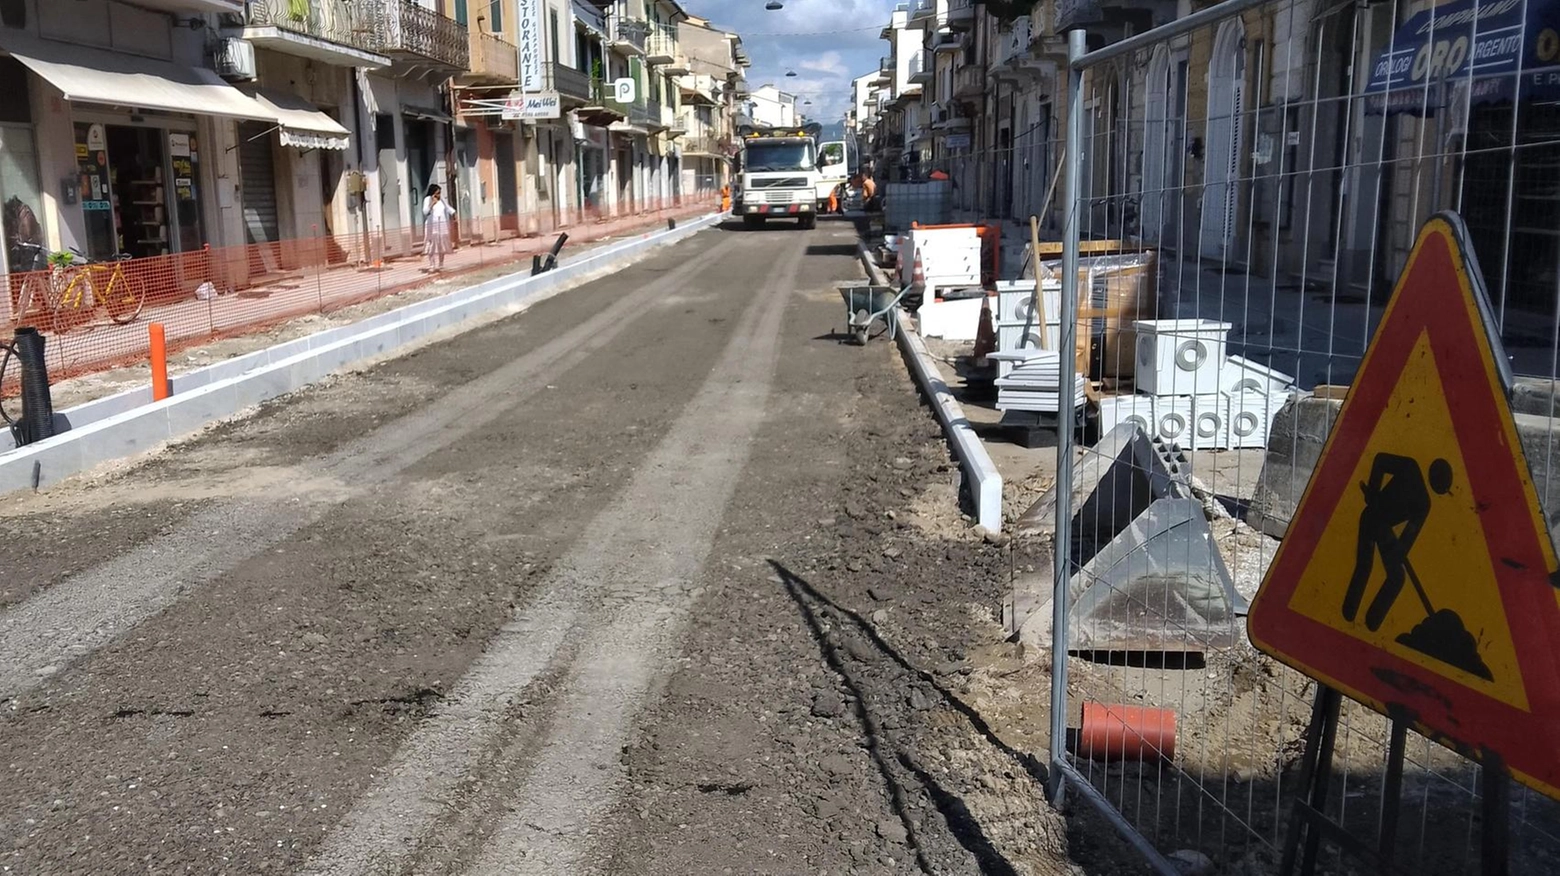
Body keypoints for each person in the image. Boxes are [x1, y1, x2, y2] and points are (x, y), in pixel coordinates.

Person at [1342, 453, 1453, 632]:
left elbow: (1409, 537)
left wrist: (1397, 552)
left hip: (1383, 529)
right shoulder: (1411, 468)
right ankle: (1348, 613)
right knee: (1365, 566)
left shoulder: (1425, 503)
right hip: (1371, 517)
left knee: (1396, 577)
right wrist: (1374, 492)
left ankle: (1371, 622)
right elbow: (1379, 460)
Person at [422, 183, 455, 272]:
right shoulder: (427, 199)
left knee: (441, 245)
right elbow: (425, 212)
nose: (439, 195)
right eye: (437, 193)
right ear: (433, 193)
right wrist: (432, 203)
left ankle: (441, 264)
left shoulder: (442, 199)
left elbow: (448, 208)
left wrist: (453, 213)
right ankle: (432, 264)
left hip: (442, 224)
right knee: (432, 245)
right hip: (431, 226)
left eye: (439, 193)